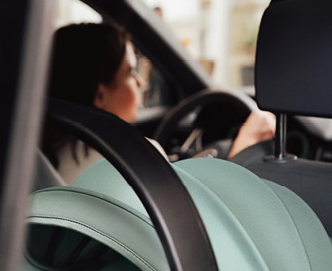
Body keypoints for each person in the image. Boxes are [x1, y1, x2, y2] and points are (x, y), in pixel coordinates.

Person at [43, 22, 276, 184]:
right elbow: (194, 221)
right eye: (130, 72)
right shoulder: (135, 155)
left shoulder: (46, 158)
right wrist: (241, 151)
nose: (141, 83)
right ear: (100, 94)